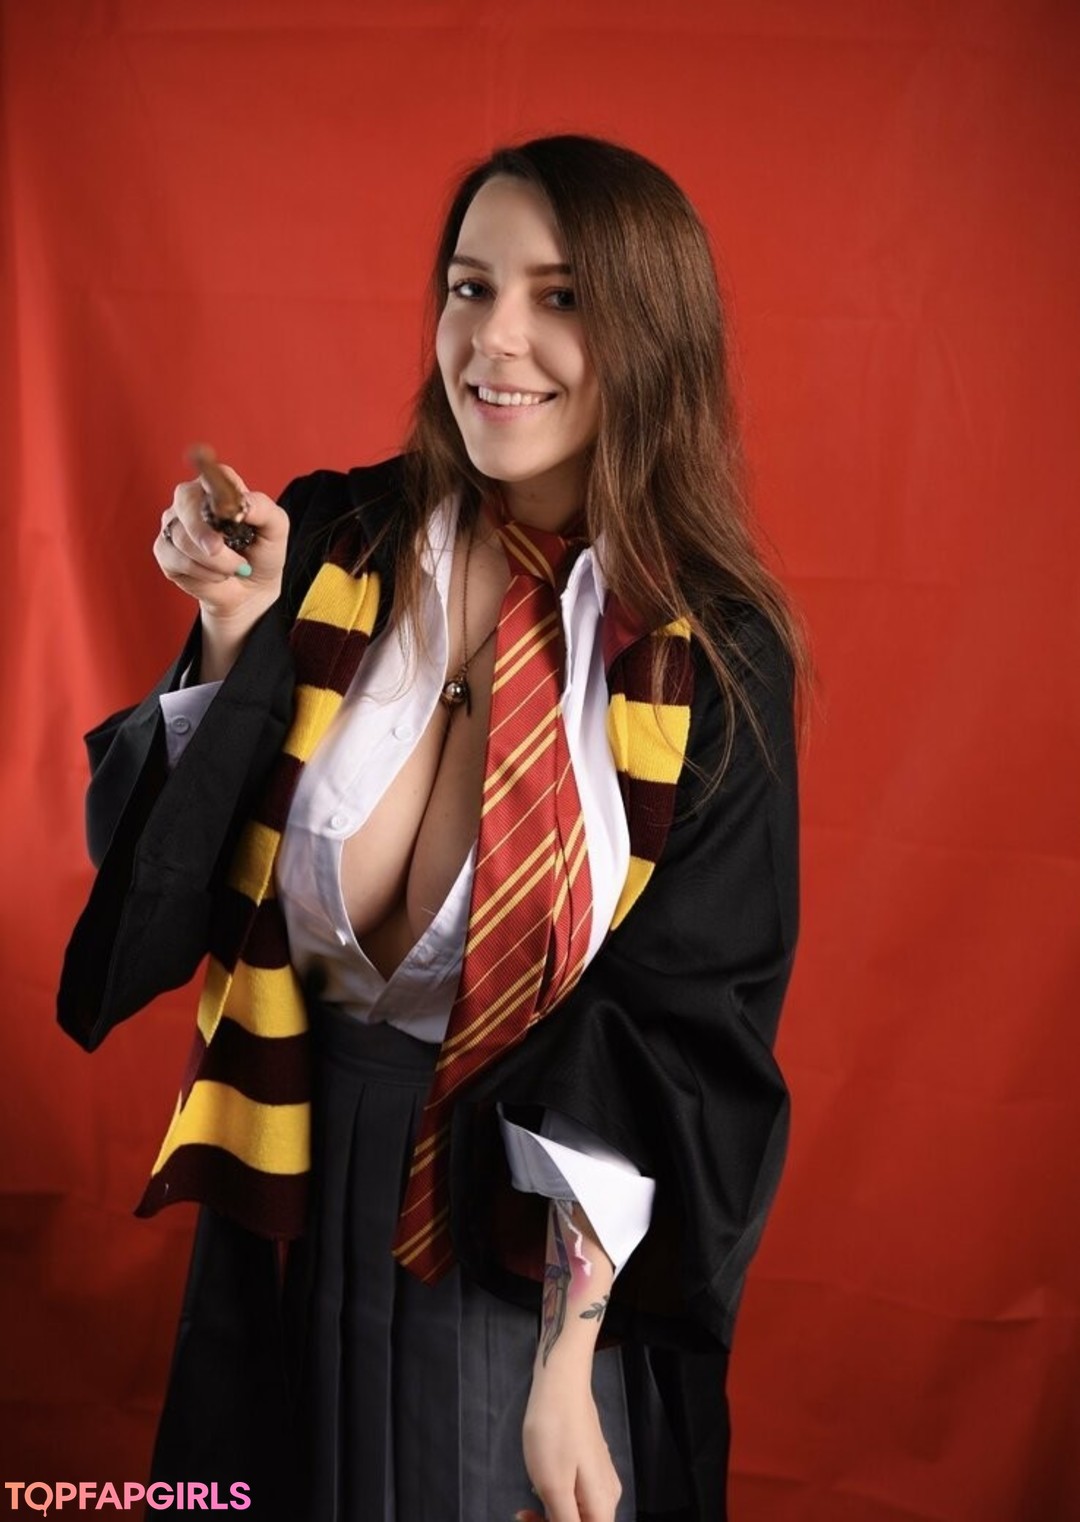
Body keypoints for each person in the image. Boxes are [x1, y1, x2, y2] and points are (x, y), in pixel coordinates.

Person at [58, 134, 807, 1522]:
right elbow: (152, 879)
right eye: (470, 287)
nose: (495, 339)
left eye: (560, 296)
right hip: (287, 1194)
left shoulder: (708, 655)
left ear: (654, 335)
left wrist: (568, 1359)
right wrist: (231, 634)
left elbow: (679, 1032)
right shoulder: (336, 541)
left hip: (524, 1241)